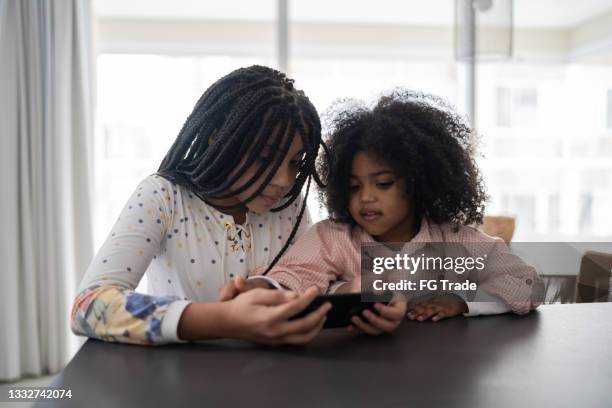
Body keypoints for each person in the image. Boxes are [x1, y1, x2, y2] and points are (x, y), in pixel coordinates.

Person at [235, 90, 544, 335]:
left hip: (440, 370)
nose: (366, 197)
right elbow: (295, 275)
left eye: (383, 183)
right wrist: (262, 287)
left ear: (419, 182)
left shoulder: (455, 239)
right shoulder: (334, 237)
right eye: (354, 187)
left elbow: (526, 283)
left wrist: (462, 302)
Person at [71, 65, 332, 346]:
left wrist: (378, 298)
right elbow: (87, 308)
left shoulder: (289, 207)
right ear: (218, 138)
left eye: (295, 163)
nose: (283, 180)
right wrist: (223, 319)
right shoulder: (163, 197)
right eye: (266, 157)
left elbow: (321, 275)